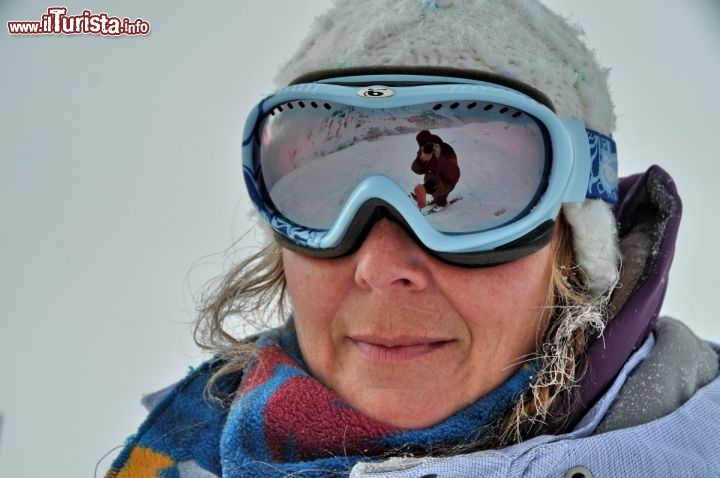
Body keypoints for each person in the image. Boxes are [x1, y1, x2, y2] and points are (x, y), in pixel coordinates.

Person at [105, 1, 720, 477]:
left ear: (573, 243)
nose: (378, 264)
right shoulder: (181, 454)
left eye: (468, 198)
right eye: (326, 192)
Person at [411, 130, 460, 211]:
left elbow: (454, 172)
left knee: (441, 194)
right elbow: (415, 169)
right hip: (433, 177)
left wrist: (439, 159)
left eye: (429, 144)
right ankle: (435, 199)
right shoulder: (424, 151)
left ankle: (441, 204)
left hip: (448, 180)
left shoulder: (446, 149)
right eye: (423, 146)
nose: (428, 148)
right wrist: (421, 160)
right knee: (432, 189)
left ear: (433, 142)